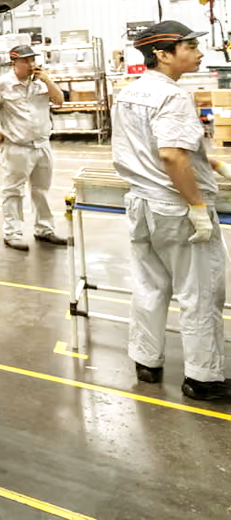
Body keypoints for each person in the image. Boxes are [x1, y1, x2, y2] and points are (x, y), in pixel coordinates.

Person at [111, 21, 230, 401]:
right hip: (176, 209)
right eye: (189, 46)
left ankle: (147, 361)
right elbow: (169, 154)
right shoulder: (173, 96)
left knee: (150, 284)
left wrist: (208, 164)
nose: (199, 52)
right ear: (162, 54)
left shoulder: (128, 94)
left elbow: (153, 148)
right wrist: (196, 205)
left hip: (141, 204)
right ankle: (203, 378)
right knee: (200, 291)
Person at [0, 44, 67, 251]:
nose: (30, 64)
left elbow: (59, 101)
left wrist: (47, 80)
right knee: (13, 191)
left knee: (41, 190)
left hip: (42, 145)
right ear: (14, 63)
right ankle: (13, 233)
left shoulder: (42, 82)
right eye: (25, 61)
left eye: (32, 60)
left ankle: (44, 230)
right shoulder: (2, 84)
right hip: (17, 147)